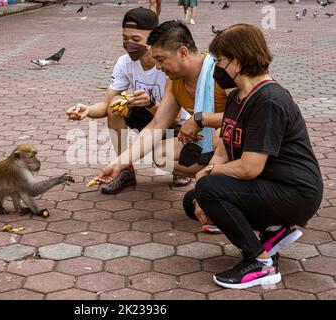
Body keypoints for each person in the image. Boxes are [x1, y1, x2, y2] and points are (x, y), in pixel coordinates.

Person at [183, 23, 323, 289]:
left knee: (210, 187)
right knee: (194, 199)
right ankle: (274, 231)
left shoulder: (268, 100)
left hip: (296, 193)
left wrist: (206, 177)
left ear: (237, 60)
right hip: (272, 187)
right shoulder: (238, 96)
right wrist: (202, 185)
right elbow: (224, 149)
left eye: (220, 60)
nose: (217, 68)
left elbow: (249, 168)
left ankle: (260, 263)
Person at [67, 8, 191, 194]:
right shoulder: (124, 63)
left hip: (177, 126)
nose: (129, 44)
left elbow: (172, 118)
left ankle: (182, 166)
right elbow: (107, 103)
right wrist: (87, 110)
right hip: (150, 118)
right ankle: (125, 171)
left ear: (153, 39)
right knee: (116, 105)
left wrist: (149, 102)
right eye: (125, 38)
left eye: (136, 40)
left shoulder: (168, 65)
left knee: (164, 158)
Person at [95, 21, 228, 191]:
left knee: (219, 136)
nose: (157, 66)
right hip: (203, 141)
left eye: (161, 59)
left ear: (182, 52)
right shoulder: (174, 83)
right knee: (160, 155)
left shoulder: (220, 71)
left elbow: (247, 116)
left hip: (233, 140)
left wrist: (199, 120)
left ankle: (224, 181)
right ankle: (213, 176)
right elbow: (156, 126)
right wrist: (119, 163)